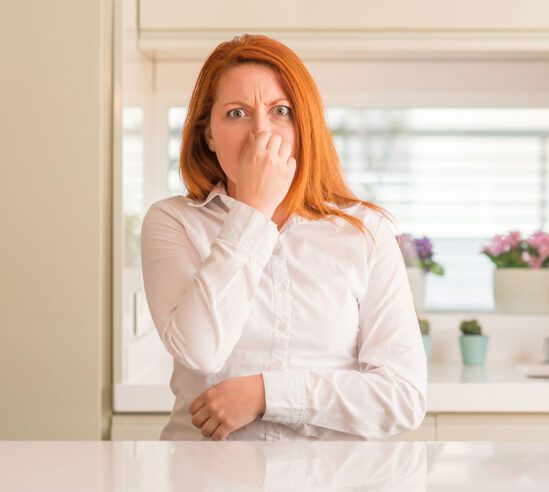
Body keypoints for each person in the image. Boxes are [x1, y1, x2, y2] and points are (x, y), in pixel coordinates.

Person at [140, 34, 427, 441]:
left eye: (281, 111)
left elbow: (402, 396)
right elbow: (200, 352)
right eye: (237, 113)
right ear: (208, 135)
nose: (262, 133)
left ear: (303, 125)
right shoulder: (173, 222)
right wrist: (253, 211)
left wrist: (267, 394)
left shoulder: (365, 232)